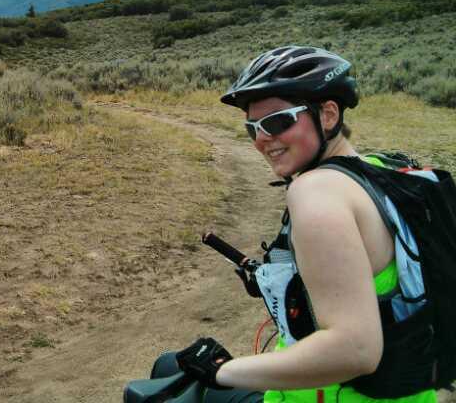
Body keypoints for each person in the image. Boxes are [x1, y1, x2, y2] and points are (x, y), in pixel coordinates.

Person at [166, 46, 437, 403]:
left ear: (327, 114)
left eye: (278, 121)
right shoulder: (383, 169)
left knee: (166, 374)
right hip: (408, 392)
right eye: (252, 128)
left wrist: (222, 371)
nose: (262, 138)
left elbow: (355, 350)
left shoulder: (315, 194)